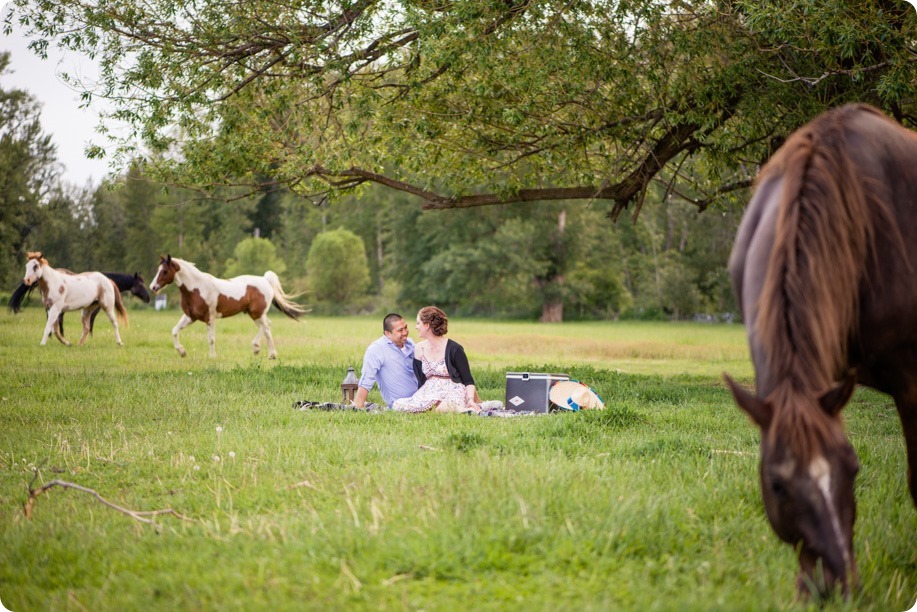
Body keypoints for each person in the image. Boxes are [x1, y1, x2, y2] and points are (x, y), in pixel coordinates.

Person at [392, 306, 496, 413]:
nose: (416, 327)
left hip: (452, 391)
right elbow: (421, 381)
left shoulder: (454, 348)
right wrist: (420, 397)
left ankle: (469, 408)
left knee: (442, 405)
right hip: (429, 392)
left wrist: (470, 399)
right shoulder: (418, 349)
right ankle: (471, 408)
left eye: (418, 323)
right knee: (397, 404)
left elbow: (468, 380)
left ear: (427, 325)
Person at [353, 313, 419, 409]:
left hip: (422, 397)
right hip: (401, 405)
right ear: (387, 333)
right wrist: (358, 405)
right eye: (400, 330)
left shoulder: (411, 343)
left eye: (405, 327)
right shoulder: (376, 349)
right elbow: (367, 379)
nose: (405, 332)